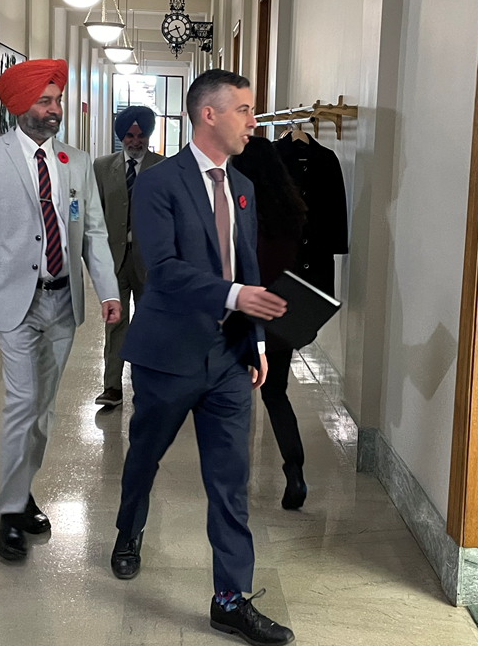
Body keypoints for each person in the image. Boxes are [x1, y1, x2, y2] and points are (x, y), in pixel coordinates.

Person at [111, 70, 295, 646]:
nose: (253, 121)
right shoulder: (159, 183)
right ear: (208, 115)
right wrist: (234, 295)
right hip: (168, 355)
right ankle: (128, 529)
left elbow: (247, 264)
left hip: (227, 357)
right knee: (145, 456)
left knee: (230, 480)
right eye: (243, 109)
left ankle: (230, 599)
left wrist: (257, 339)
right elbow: (161, 272)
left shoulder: (241, 185)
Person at [0, 59, 122, 562]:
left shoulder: (76, 161)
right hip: (12, 303)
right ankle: (8, 513)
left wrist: (108, 292)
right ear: (18, 105)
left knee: (44, 413)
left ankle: (23, 491)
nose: (54, 110)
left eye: (57, 101)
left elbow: (92, 232)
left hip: (62, 301)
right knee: (22, 403)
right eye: (45, 101)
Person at [230, 136, 309, 510]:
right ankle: (294, 471)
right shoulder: (291, 210)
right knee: (276, 394)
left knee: (233, 399)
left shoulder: (239, 209)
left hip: (242, 315)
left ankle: (235, 479)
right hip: (279, 313)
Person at [92, 106, 166, 408]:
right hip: (114, 259)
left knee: (149, 324)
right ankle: (112, 387)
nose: (135, 141)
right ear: (121, 136)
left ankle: (148, 385)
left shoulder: (163, 167)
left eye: (140, 135)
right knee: (115, 323)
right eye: (129, 135)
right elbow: (94, 215)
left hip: (149, 261)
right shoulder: (101, 167)